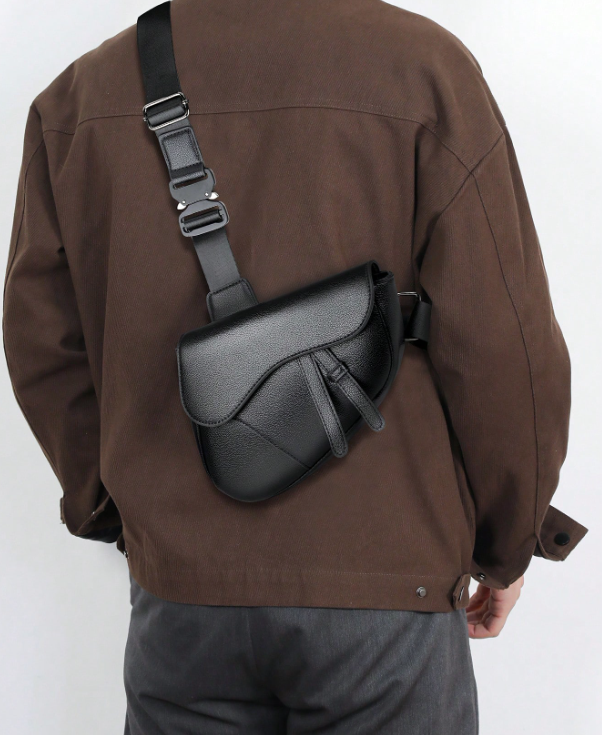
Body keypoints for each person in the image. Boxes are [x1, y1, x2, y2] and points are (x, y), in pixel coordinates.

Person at [3, 0, 587, 734]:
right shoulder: (424, 70)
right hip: (385, 592)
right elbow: (504, 346)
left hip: (182, 602)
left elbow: (43, 345)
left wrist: (130, 518)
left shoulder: (79, 97)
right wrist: (508, 542)